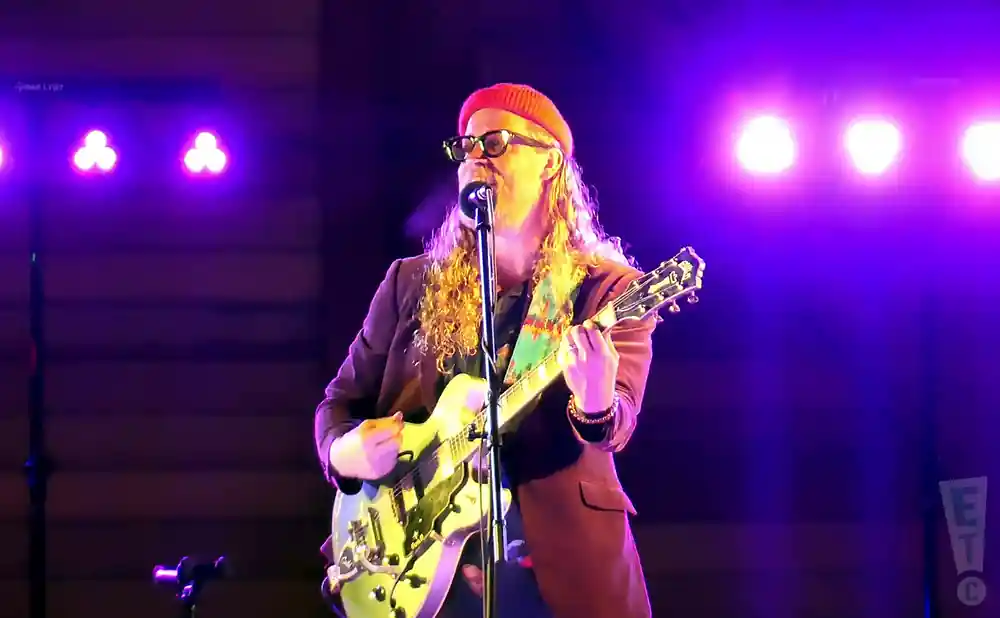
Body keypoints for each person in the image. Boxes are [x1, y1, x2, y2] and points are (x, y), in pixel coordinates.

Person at [315, 83, 657, 618]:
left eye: (495, 143)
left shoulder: (605, 291)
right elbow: (338, 405)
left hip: (556, 574)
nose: (476, 158)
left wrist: (594, 405)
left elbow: (617, 418)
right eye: (466, 146)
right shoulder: (410, 284)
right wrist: (346, 452)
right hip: (423, 576)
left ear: (550, 164)